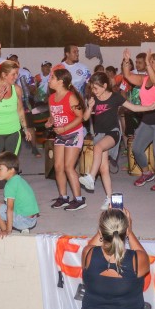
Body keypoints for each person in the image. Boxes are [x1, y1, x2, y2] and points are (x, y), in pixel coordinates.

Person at [75, 208, 150, 309]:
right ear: (125, 229)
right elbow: (141, 253)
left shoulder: (88, 254)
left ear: (102, 230)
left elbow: (93, 244)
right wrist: (130, 232)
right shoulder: (138, 260)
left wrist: (103, 228)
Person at [80, 72, 155, 209]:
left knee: (98, 148)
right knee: (104, 169)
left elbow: (133, 107)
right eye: (92, 88)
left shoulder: (115, 97)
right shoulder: (93, 99)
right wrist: (90, 107)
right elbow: (85, 118)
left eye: (96, 88)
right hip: (99, 134)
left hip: (113, 132)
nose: (94, 91)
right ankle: (109, 199)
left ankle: (91, 177)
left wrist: (149, 107)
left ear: (105, 86)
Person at [121, 50, 155, 192]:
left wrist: (148, 64)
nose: (148, 64)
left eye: (151, 62)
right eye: (148, 62)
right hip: (148, 119)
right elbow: (127, 75)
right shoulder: (144, 79)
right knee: (137, 148)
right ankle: (147, 173)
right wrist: (126, 61)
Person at [47, 69, 88, 211]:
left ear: (60, 81)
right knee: (58, 167)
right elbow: (54, 116)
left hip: (74, 134)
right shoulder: (52, 98)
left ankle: (79, 199)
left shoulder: (71, 97)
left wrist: (64, 128)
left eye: (52, 77)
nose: (49, 80)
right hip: (60, 135)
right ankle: (63, 197)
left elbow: (80, 117)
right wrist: (50, 122)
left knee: (68, 167)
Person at [0, 61, 33, 164]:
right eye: (13, 74)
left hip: (14, 132)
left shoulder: (17, 89)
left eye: (17, 74)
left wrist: (25, 128)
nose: (16, 77)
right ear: (4, 75)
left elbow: (20, 110)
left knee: (11, 165)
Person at [0, 151, 39, 237]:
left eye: (0, 169)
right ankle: (22, 227)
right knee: (6, 207)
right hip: (32, 220)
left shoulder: (10, 185)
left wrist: (8, 230)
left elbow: (10, 209)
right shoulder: (18, 179)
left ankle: (4, 229)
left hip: (24, 221)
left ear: (11, 170)